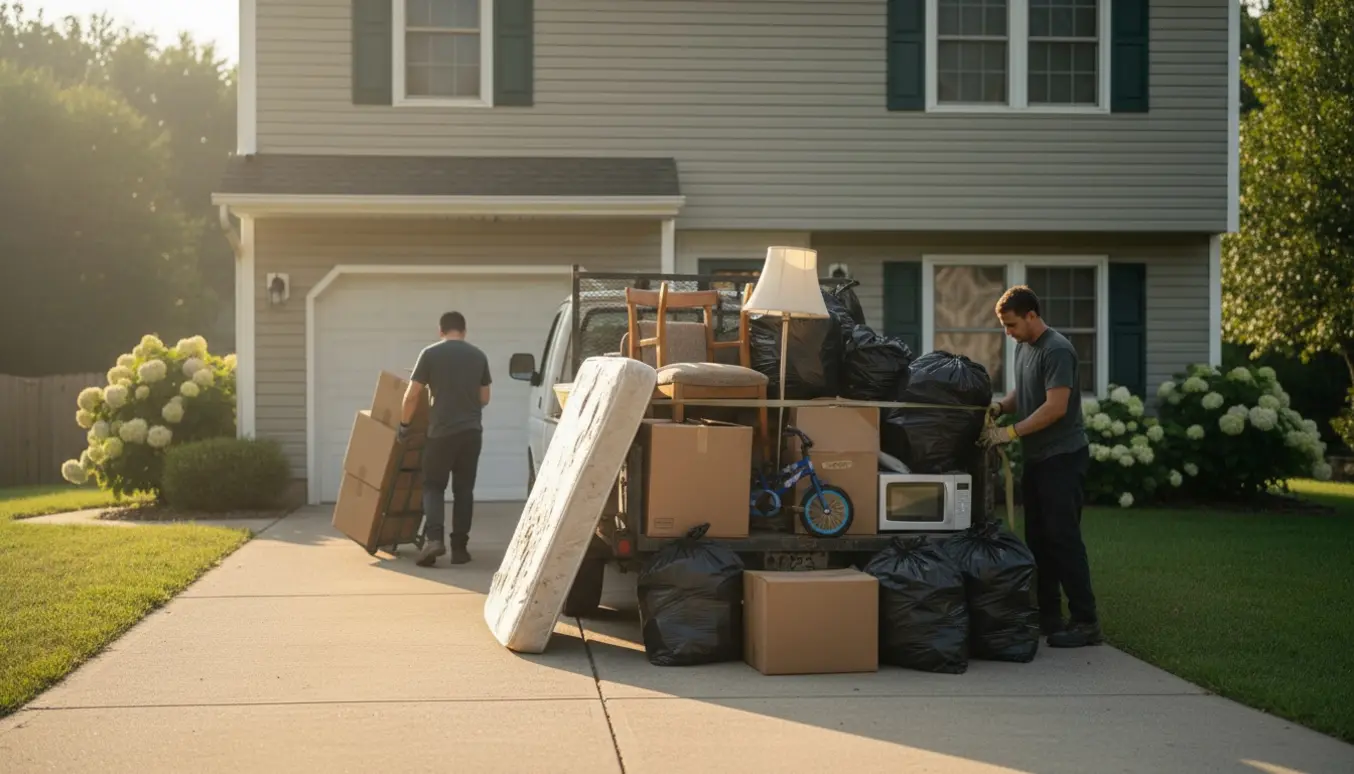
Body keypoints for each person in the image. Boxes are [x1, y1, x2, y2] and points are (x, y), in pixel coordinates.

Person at [981, 285, 1101, 648]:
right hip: (1038, 460)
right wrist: (1001, 407)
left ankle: (1086, 621)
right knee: (1038, 541)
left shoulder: (1058, 350)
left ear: (1032, 315)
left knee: (1063, 540)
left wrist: (1010, 432)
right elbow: (1027, 393)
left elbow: (1055, 407)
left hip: (1063, 458)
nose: (1008, 333)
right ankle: (1049, 616)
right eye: (1004, 326)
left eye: (1012, 324)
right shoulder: (1024, 347)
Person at [405, 311, 491, 567]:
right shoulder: (478, 356)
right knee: (464, 490)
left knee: (433, 486)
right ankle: (460, 549)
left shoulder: (430, 354)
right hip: (471, 433)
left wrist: (404, 424)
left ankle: (434, 540)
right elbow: (485, 398)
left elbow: (411, 395)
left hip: (441, 433)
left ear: (440, 330)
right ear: (464, 331)